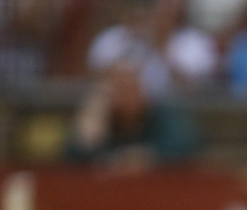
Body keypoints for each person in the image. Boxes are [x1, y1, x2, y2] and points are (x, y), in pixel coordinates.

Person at [65, 58, 200, 169]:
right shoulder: (99, 117)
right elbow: (72, 157)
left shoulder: (160, 113)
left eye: (131, 87)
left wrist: (146, 156)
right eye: (119, 88)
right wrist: (88, 135)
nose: (126, 96)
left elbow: (185, 144)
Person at [89, 0, 218, 94]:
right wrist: (130, 43)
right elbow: (92, 77)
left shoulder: (194, 40)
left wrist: (161, 49)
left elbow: (194, 90)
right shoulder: (113, 37)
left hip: (175, 111)